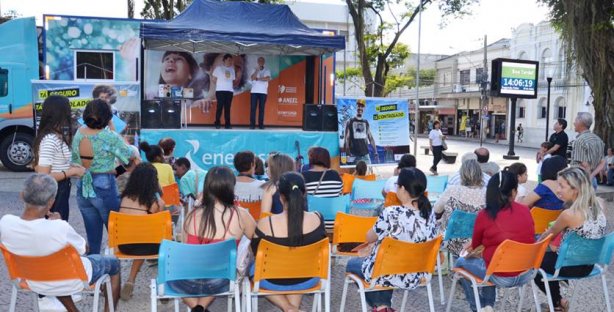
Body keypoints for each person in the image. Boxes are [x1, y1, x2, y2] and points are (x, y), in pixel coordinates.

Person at [0, 174, 121, 312]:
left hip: (31, 279)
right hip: (71, 279)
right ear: (51, 202)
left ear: (22, 195)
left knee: (53, 265)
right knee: (114, 263)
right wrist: (58, 221)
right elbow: (84, 249)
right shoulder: (59, 228)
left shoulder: (5, 222)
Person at [346, 168, 438, 312]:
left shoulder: (391, 212)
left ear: (402, 189)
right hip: (416, 272)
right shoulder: (429, 213)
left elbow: (369, 237)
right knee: (384, 265)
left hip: (388, 271)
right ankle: (383, 307)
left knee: (353, 264)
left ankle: (382, 307)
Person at [171, 166, 256, 312]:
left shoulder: (192, 216)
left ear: (206, 187)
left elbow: (185, 249)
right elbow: (257, 239)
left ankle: (197, 307)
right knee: (222, 268)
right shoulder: (241, 215)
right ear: (231, 187)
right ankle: (200, 307)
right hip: (222, 280)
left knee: (173, 273)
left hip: (186, 280)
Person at [454, 171, 535, 312]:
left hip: (500, 275)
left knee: (460, 263)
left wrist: (471, 247)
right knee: (489, 263)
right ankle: (488, 306)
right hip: (526, 272)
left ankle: (478, 307)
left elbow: (477, 245)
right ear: (514, 192)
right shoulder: (526, 210)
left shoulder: (485, 215)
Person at [251, 172, 327, 312]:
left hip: (271, 280)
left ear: (281, 197)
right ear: (303, 194)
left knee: (252, 268)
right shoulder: (317, 219)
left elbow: (255, 252)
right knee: (298, 265)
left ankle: (288, 308)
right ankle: (291, 308)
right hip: (308, 277)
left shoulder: (265, 224)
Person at [534, 167, 607, 311]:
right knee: (546, 257)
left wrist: (535, 242)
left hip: (568, 265)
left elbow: (547, 236)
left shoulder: (569, 214)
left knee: (534, 263)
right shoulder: (599, 205)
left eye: (561, 186)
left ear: (575, 189)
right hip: (589, 264)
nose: (558, 190)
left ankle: (556, 303)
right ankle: (558, 301)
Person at [72, 99, 138, 255]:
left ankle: (94, 273)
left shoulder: (79, 132)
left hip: (83, 185)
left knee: (93, 239)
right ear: (108, 117)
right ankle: (115, 275)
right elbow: (130, 156)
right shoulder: (109, 136)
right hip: (103, 184)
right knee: (116, 236)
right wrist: (114, 132)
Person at [32, 95, 85, 221]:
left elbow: (51, 165)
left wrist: (70, 167)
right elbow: (43, 176)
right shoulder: (50, 139)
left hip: (60, 189)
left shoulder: (54, 136)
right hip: (55, 191)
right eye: (68, 110)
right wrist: (72, 172)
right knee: (56, 231)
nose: (70, 114)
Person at [117, 163, 164, 301]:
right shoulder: (153, 202)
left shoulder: (125, 198)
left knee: (141, 239)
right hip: (145, 245)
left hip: (124, 245)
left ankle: (130, 280)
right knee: (164, 241)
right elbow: (159, 225)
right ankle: (163, 283)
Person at [434, 159, 486, 257]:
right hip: (478, 241)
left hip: (451, 240)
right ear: (480, 174)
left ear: (462, 175)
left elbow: (436, 210)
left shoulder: (452, 190)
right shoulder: (488, 193)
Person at [570, 112, 606, 189]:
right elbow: (602, 162)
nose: (574, 123)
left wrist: (588, 180)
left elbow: (585, 164)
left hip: (580, 179)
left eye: (576, 120)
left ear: (581, 123)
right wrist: (592, 176)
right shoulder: (598, 139)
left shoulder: (579, 141)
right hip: (592, 179)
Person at [344, 99, 378, 164]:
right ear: (356, 107)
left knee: (368, 173)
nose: (360, 108)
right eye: (359, 106)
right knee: (355, 174)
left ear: (364, 108)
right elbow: (347, 139)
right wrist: (347, 153)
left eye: (362, 106)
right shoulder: (350, 122)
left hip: (365, 155)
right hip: (354, 156)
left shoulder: (366, 122)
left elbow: (370, 138)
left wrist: (375, 152)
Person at [211, 54, 236, 129]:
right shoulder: (219, 68)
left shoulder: (232, 69)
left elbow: (233, 80)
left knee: (227, 108)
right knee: (220, 107)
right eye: (228, 60)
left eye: (231, 60)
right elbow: (213, 79)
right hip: (220, 91)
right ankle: (217, 123)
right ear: (224, 60)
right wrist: (220, 85)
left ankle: (227, 124)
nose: (230, 62)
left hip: (229, 91)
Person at [249, 57, 271, 129]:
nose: (261, 62)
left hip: (263, 92)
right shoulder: (254, 69)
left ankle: (261, 125)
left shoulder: (267, 70)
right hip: (254, 92)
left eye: (262, 61)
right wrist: (257, 71)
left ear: (264, 62)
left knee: (261, 109)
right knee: (253, 108)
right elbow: (252, 78)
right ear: (257, 62)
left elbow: (267, 78)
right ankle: (252, 125)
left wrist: (258, 79)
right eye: (259, 61)